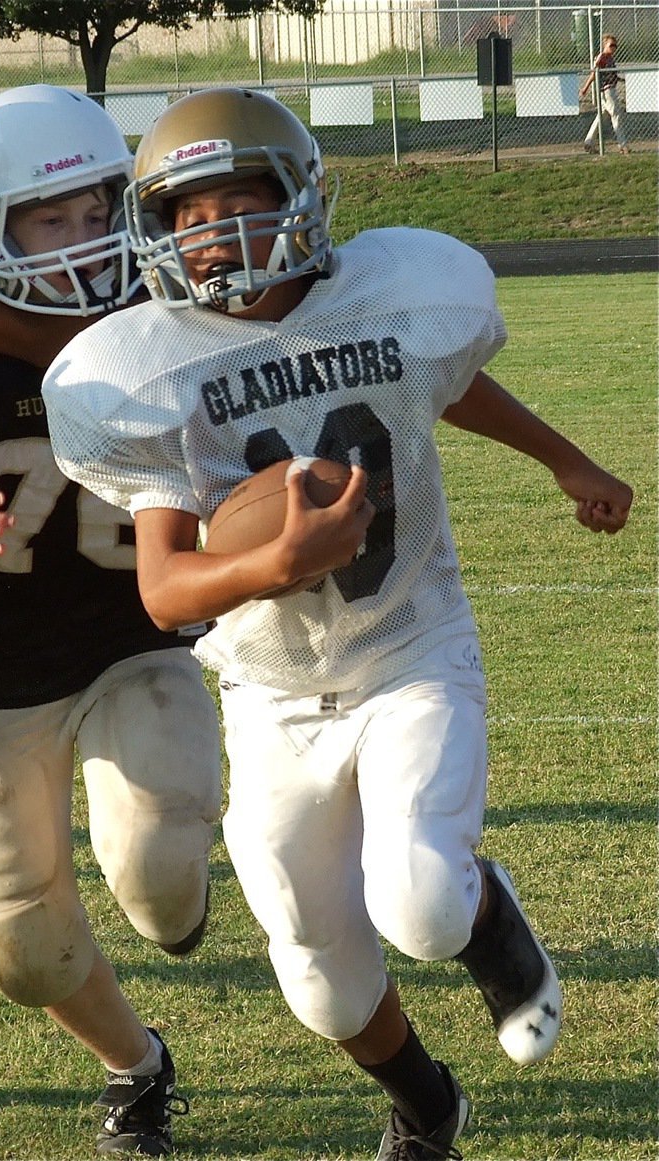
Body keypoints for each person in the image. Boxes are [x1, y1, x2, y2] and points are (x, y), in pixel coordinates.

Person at [42, 88, 633, 1160]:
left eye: (238, 200)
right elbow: (167, 591)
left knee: (420, 906)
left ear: (304, 199)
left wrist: (562, 455)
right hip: (270, 694)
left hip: (410, 648)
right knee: (318, 975)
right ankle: (425, 1104)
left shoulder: (395, 293)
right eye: (187, 212)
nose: (213, 231)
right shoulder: (145, 365)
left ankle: (488, 919)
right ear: (156, 230)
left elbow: (435, 384)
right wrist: (275, 561)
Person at [0, 84, 221, 1156]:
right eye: (46, 220)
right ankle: (137, 1064)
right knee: (26, 955)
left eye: (95, 207)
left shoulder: (173, 320)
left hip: (133, 646)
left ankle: (179, 899)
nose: (78, 239)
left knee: (159, 880)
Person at [580, 34, 629, 153]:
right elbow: (594, 74)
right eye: (611, 45)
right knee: (616, 115)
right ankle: (622, 144)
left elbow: (613, 76)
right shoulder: (602, 57)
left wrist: (625, 81)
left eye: (615, 46)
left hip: (610, 89)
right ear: (605, 45)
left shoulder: (610, 58)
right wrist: (585, 88)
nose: (614, 48)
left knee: (601, 117)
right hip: (607, 91)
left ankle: (589, 141)